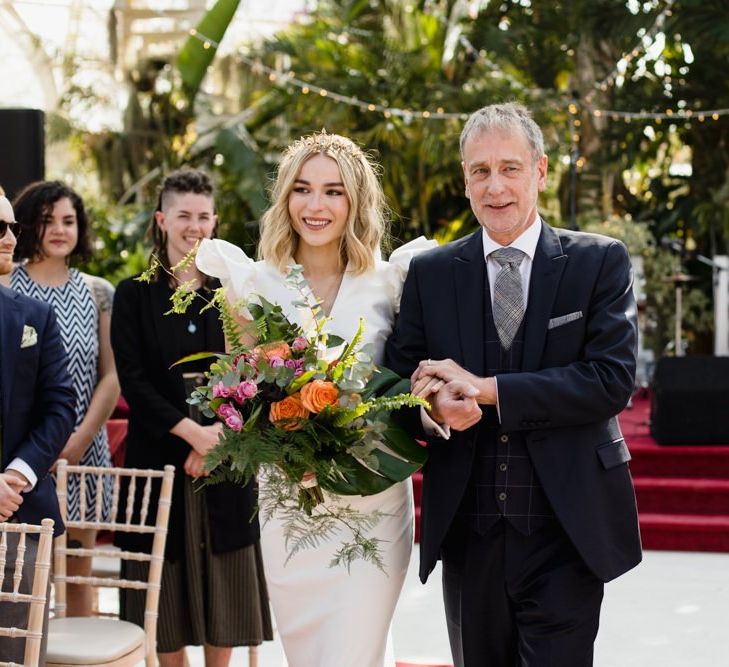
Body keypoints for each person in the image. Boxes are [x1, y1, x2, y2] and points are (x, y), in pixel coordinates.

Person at [385, 103, 642, 667]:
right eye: (480, 171)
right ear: (465, 179)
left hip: (566, 529)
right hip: (470, 536)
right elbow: (393, 388)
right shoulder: (431, 273)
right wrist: (432, 409)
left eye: (510, 168)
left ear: (541, 171)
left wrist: (486, 389)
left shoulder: (598, 262)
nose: (494, 186)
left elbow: (610, 380)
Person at [195, 131, 436, 667]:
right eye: (303, 189)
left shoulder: (391, 282)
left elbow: (410, 382)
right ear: (285, 199)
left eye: (333, 191)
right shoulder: (253, 284)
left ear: (356, 201)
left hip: (371, 503)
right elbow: (244, 390)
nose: (316, 205)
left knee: (355, 651)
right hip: (290, 508)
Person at [110, 168, 272, 667]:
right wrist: (191, 435)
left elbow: (256, 370)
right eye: (183, 215)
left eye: (203, 216)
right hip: (159, 452)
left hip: (226, 451)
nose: (194, 226)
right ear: (162, 220)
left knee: (225, 582)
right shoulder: (133, 293)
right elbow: (133, 380)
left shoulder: (234, 291)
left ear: (215, 221)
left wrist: (218, 440)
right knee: (166, 586)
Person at [8, 180, 119, 617]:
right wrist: (43, 450)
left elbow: (110, 377)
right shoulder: (8, 285)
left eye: (68, 221)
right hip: (21, 453)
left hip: (84, 449)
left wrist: (74, 441)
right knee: (26, 579)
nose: (58, 229)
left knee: (78, 573)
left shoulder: (98, 291)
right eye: (47, 219)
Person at [0, 186, 76, 663]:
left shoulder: (36, 316)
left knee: (17, 652)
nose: (9, 238)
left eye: (11, 227)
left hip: (22, 513)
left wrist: (15, 475)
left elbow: (60, 407)